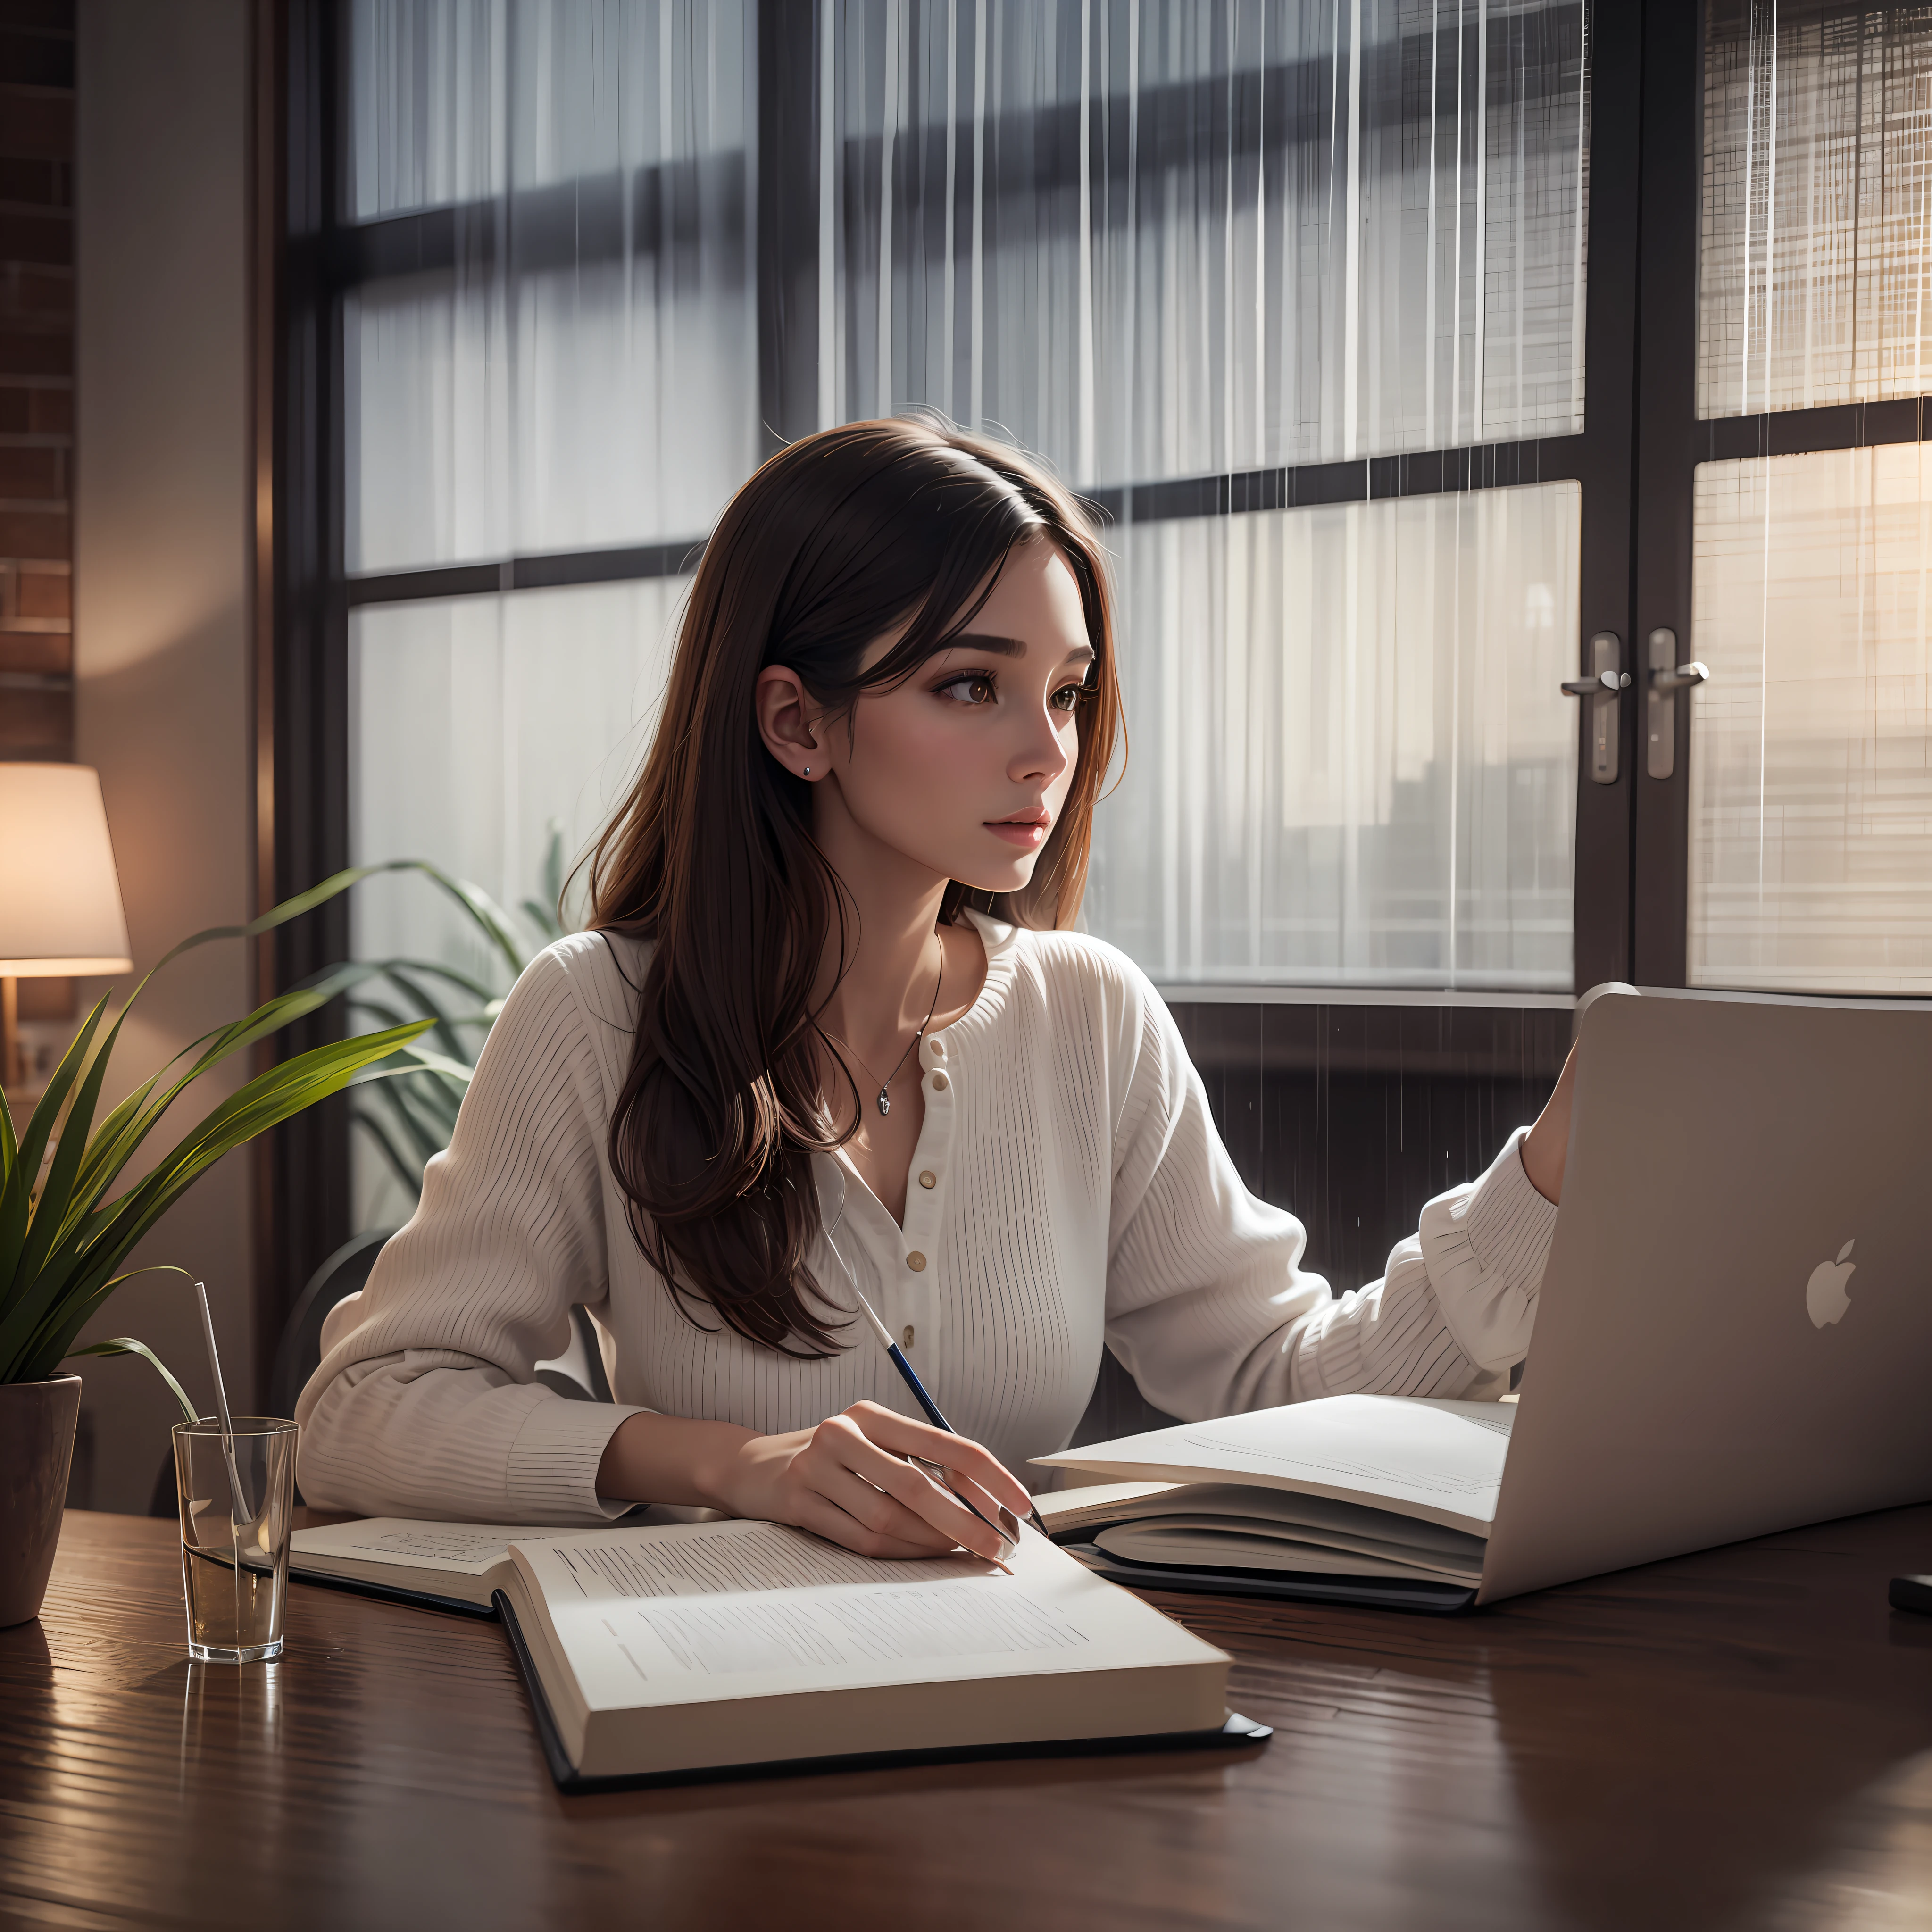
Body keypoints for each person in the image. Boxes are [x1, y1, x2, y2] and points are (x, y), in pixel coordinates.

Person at [296, 417, 1578, 1563]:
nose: (1049, 752)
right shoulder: (598, 1013)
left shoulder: (1089, 1015)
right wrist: (732, 1465)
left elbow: (1281, 1379)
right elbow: (364, 1411)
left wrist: (1545, 1184)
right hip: (697, 1721)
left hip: (1027, 1711)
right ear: (797, 724)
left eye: (1068, 693)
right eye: (973, 685)